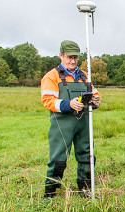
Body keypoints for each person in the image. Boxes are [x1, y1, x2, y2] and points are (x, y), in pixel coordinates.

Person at [40, 40, 101, 198]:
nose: (73, 61)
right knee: (59, 158)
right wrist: (69, 104)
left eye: (75, 57)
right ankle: (50, 193)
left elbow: (95, 94)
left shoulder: (84, 76)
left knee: (87, 156)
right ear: (61, 55)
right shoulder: (51, 77)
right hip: (62, 123)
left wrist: (96, 101)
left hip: (84, 123)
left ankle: (85, 189)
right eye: (69, 57)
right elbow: (47, 100)